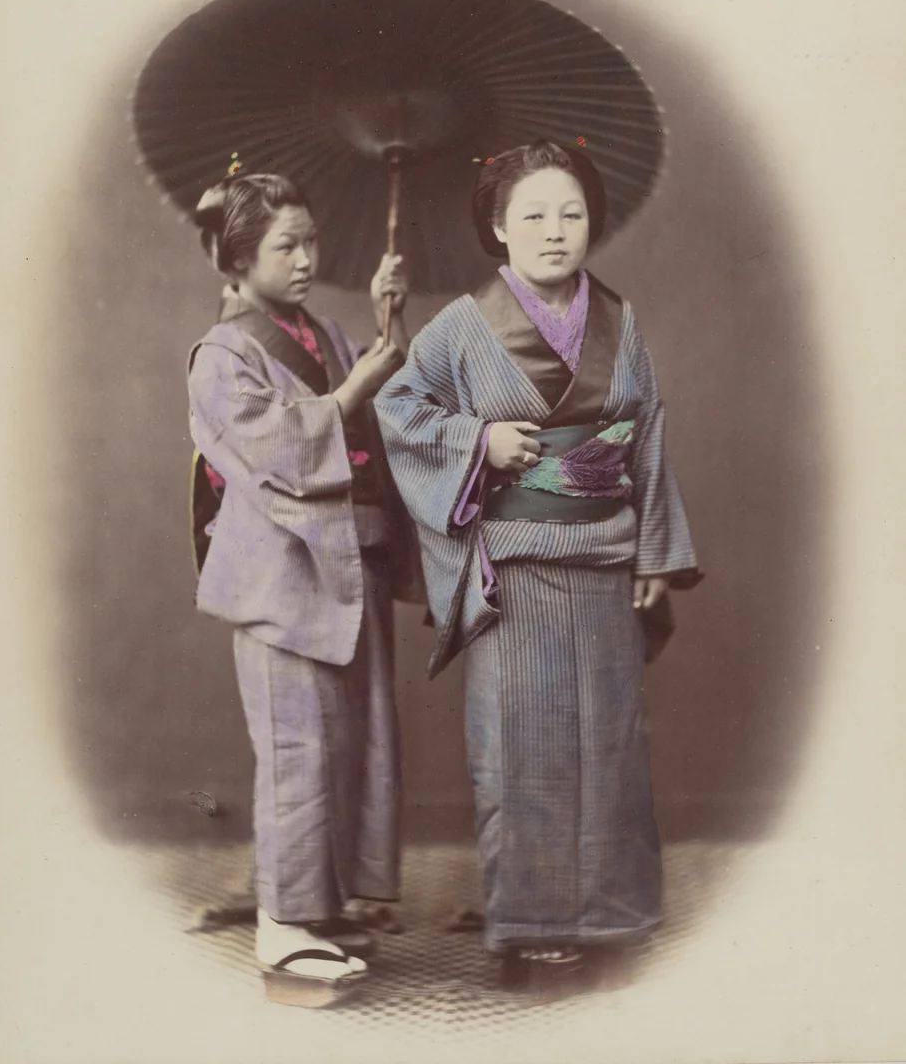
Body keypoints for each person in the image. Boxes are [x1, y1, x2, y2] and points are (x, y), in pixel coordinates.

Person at [374, 140, 700, 988]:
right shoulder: (462, 324)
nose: (554, 233)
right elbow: (398, 408)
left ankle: (610, 915)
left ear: (591, 220)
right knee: (523, 751)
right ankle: (530, 922)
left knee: (609, 747)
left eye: (571, 213)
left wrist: (655, 551)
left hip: (604, 560)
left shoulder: (620, 322)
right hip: (515, 571)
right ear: (497, 226)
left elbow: (648, 436)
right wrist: (477, 438)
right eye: (532, 216)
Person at [187, 165, 409, 1006]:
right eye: (287, 245)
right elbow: (277, 450)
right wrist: (353, 386)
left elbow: (374, 412)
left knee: (346, 742)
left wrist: (389, 323)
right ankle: (282, 934)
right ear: (239, 262)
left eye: (311, 240)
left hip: (346, 562)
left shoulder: (320, 332)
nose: (308, 257)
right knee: (295, 751)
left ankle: (313, 909)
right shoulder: (222, 354)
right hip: (282, 578)